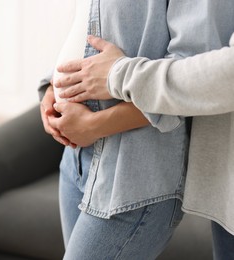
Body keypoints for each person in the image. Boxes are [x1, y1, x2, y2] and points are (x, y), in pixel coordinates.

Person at [39, 0, 234, 259]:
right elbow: (89, 21)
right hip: (76, 159)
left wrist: (94, 125)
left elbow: (196, 75)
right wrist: (53, 86)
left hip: (131, 170)